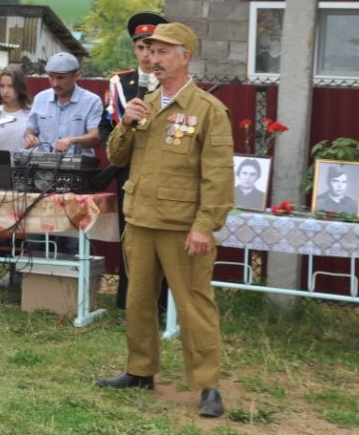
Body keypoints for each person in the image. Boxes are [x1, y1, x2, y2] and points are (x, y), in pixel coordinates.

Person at [96, 22, 233, 420]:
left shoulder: (208, 111)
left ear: (185, 56)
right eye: (150, 52)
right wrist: (126, 122)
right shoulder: (146, 104)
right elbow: (118, 158)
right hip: (140, 220)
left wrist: (205, 225)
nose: (153, 59)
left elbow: (219, 175)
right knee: (138, 303)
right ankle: (140, 371)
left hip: (182, 226)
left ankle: (208, 384)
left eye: (163, 52)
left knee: (195, 306)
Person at [98, 11, 169, 312]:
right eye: (140, 48)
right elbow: (105, 125)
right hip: (127, 171)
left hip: (162, 172)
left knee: (161, 237)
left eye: (151, 48)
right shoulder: (119, 83)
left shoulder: (171, 83)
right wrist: (116, 150)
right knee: (130, 236)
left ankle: (162, 303)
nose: (145, 54)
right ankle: (128, 302)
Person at [23, 52, 102, 156]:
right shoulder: (40, 98)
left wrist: (72, 140)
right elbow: (30, 128)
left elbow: (95, 137)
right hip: (42, 166)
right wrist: (30, 137)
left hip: (77, 169)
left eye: (61, 78)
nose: (55, 83)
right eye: (51, 77)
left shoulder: (92, 101)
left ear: (76, 76)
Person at [0, 64, 32, 153]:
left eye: (10, 86)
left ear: (19, 87)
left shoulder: (32, 112)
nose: (5, 91)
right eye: (2, 86)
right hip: (4, 164)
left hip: (27, 164)